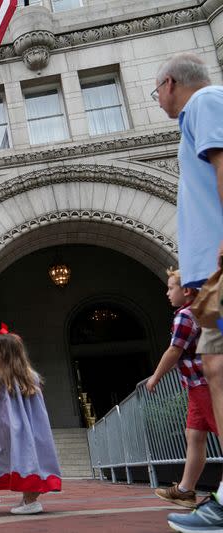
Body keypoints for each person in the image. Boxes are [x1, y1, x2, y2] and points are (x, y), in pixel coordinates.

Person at [152, 53, 223, 532]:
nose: (157, 100)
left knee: (220, 368)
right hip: (207, 279)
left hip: (216, 271)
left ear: (169, 83)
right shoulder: (199, 113)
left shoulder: (205, 102)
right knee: (218, 368)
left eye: (155, 92)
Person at [0, 326, 61, 515]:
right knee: (29, 457)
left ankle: (31, 502)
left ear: (0, 355)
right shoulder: (31, 377)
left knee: (19, 457)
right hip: (33, 428)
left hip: (11, 427)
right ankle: (28, 498)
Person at [148, 268, 212, 508]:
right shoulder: (203, 311)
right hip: (197, 385)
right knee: (194, 436)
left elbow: (174, 350)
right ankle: (185, 490)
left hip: (205, 384)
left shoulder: (185, 315)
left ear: (186, 290)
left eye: (170, 287)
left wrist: (155, 377)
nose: (167, 293)